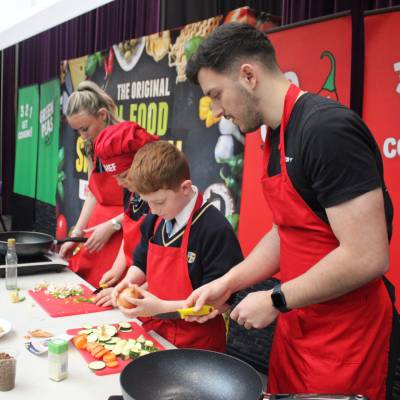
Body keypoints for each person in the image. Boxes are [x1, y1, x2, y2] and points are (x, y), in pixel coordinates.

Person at [184, 23, 399, 399]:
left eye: (216, 95)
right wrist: (229, 283)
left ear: (248, 75)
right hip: (299, 325)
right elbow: (288, 232)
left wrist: (275, 299)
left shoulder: (326, 130)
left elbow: (368, 255)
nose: (217, 110)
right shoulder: (275, 133)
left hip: (345, 337)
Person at [112, 141, 243, 352]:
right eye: (148, 202)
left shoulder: (214, 228)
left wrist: (162, 308)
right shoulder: (153, 222)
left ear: (184, 188)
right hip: (157, 333)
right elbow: (140, 262)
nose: (153, 210)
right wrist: (127, 282)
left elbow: (219, 302)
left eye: (160, 202)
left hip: (198, 343)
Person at [59, 81, 123, 287]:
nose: (83, 136)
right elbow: (93, 193)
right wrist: (76, 234)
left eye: (85, 128)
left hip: (127, 225)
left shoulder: (127, 142)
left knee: (109, 287)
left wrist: (114, 225)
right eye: (77, 131)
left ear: (102, 115)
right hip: (98, 225)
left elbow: (145, 202)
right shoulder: (91, 146)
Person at [92, 122, 159, 306]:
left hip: (149, 289)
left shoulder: (159, 200)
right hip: (133, 276)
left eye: (124, 175)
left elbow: (160, 269)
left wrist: (128, 292)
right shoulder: (131, 190)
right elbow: (129, 233)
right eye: (115, 178)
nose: (120, 183)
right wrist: (117, 268)